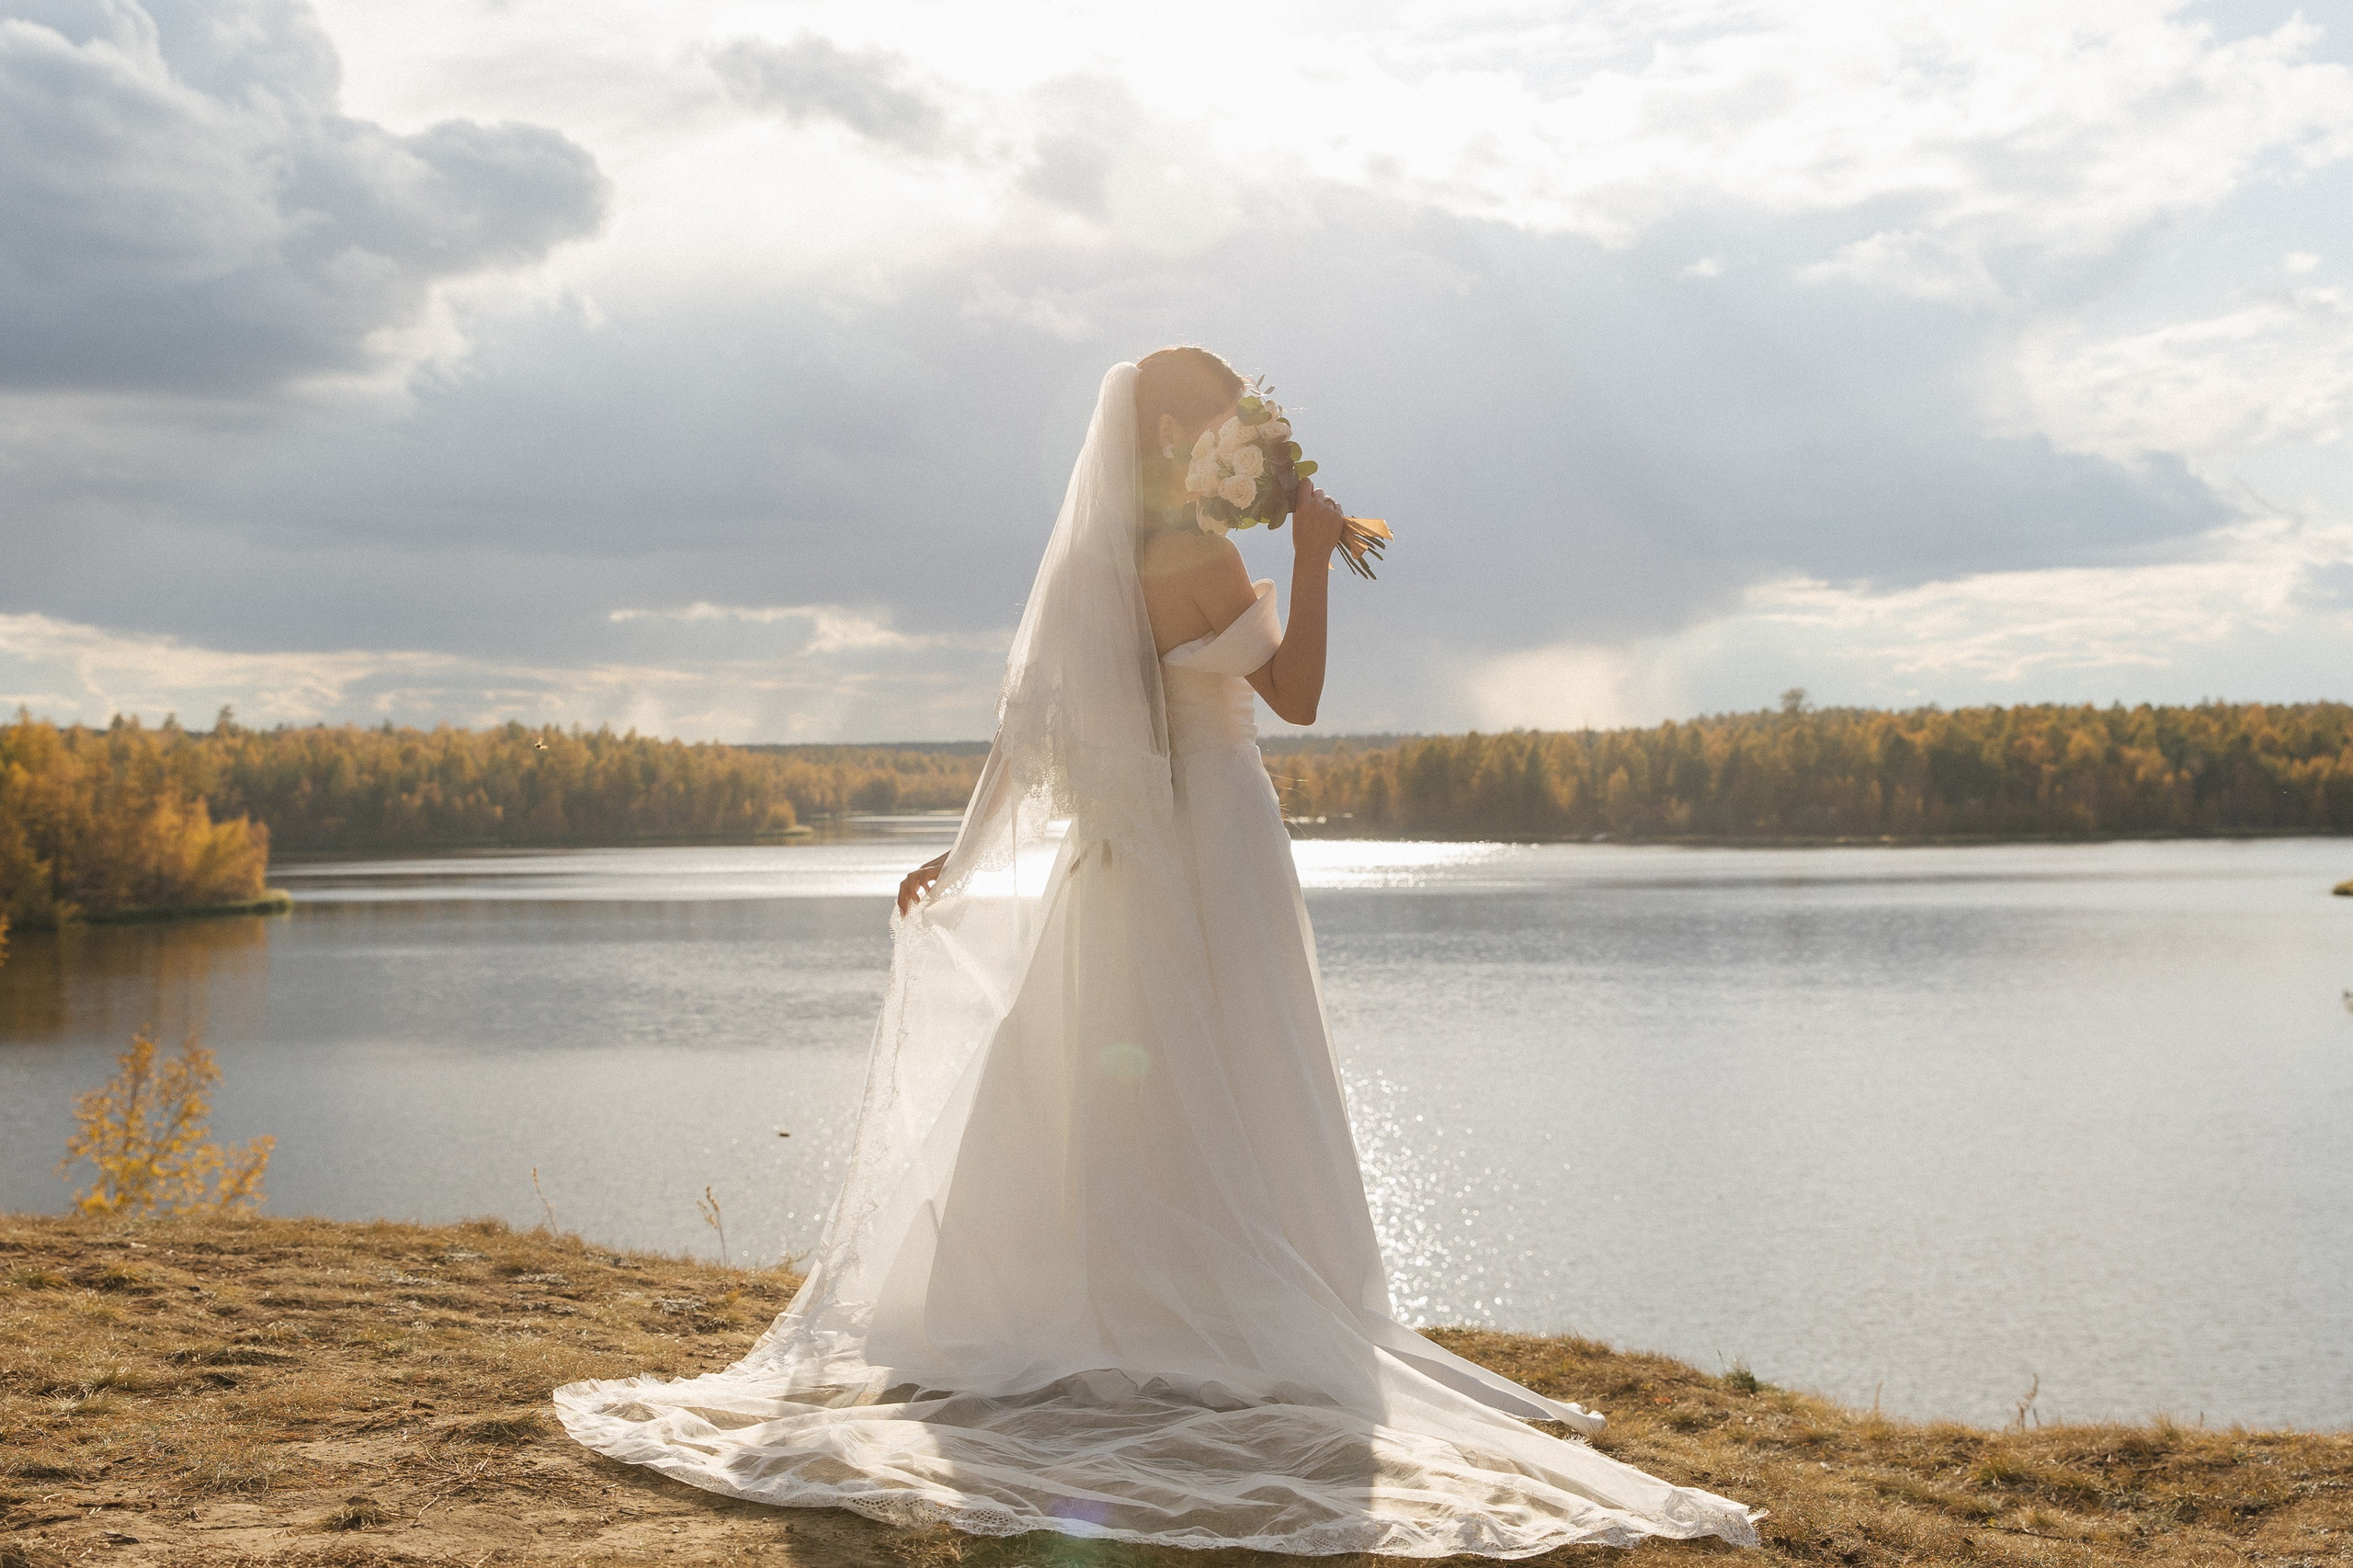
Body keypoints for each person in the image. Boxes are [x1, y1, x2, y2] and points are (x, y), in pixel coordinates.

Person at [555, 350, 1761, 1555]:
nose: (1246, 429)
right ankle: (1239, 1307)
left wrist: (963, 857)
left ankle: (1125, 1302)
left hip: (1130, 859)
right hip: (1223, 835)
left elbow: (1029, 732)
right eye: (1233, 414)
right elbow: (1294, 695)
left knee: (1109, 1078)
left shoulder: (1104, 567)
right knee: (1245, 1059)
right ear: (1186, 432)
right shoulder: (1206, 558)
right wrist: (1311, 553)